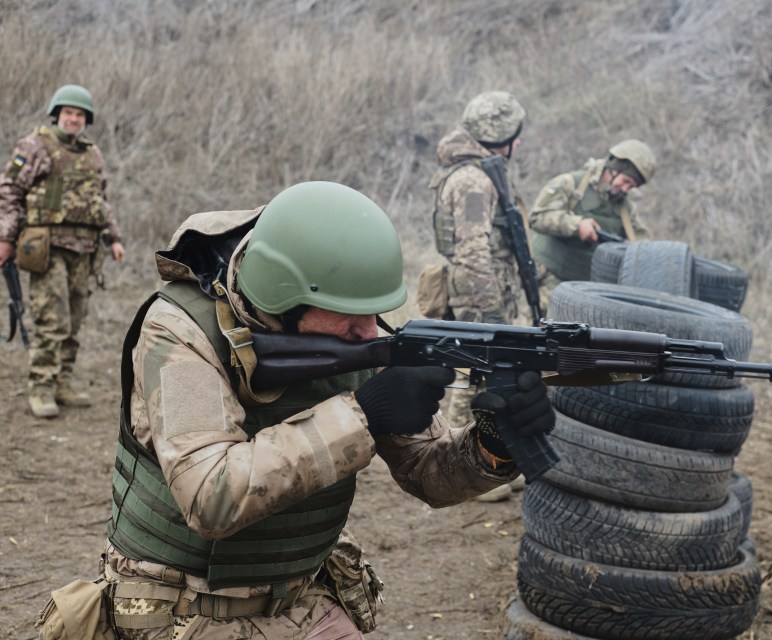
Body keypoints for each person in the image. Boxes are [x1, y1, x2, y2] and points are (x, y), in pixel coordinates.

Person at [34, 181, 554, 639]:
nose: (369, 332)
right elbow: (211, 497)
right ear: (286, 295)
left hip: (302, 600)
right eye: (350, 317)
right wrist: (365, 416)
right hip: (177, 611)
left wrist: (490, 443)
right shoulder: (179, 331)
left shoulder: (354, 329)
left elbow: (428, 474)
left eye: (374, 312)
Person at [0, 84, 125, 419]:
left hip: (84, 250)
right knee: (51, 318)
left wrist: (114, 238)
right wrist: (6, 239)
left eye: (79, 114)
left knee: (75, 318)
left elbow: (102, 200)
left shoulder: (91, 153)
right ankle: (41, 386)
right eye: (68, 113)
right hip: (48, 247)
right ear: (57, 114)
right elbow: (10, 192)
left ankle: (63, 382)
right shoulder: (35, 146)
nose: (73, 119)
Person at [428, 90, 527, 431]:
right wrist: (493, 314)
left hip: (483, 286)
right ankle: (458, 449)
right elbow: (472, 251)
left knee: (481, 376)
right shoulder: (473, 181)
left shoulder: (477, 172)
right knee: (474, 376)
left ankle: (477, 454)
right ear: (505, 137)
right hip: (479, 290)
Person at [529, 139, 656, 306]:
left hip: (582, 291)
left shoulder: (626, 210)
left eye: (631, 186)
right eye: (625, 181)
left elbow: (644, 244)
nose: (625, 189)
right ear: (613, 169)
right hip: (544, 279)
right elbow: (537, 217)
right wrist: (576, 225)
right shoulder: (570, 184)